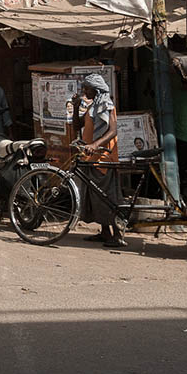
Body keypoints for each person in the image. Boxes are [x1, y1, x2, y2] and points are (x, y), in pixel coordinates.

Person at [73, 73, 123, 248]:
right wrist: (76, 106)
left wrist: (95, 144)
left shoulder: (106, 104)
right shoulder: (92, 106)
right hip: (90, 157)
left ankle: (117, 235)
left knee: (107, 197)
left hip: (104, 157)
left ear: (96, 89)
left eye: (87, 88)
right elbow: (77, 126)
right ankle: (104, 232)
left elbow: (113, 130)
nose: (84, 90)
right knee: (96, 196)